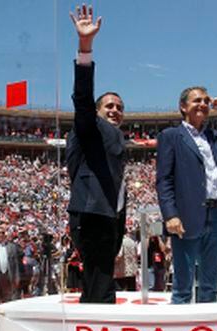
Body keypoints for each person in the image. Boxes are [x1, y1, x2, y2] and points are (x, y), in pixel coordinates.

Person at [156, 86, 217, 304]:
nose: (203, 104)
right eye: (197, 100)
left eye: (206, 101)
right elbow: (164, 179)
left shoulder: (215, 137)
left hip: (216, 214)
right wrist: (170, 215)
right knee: (183, 285)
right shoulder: (171, 136)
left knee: (210, 283)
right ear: (183, 106)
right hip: (186, 215)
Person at [67, 3, 126, 303]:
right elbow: (82, 98)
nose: (115, 110)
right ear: (97, 111)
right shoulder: (90, 128)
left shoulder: (115, 137)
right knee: (102, 292)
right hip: (92, 215)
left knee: (96, 286)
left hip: (109, 217)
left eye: (120, 107)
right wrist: (85, 48)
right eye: (109, 106)